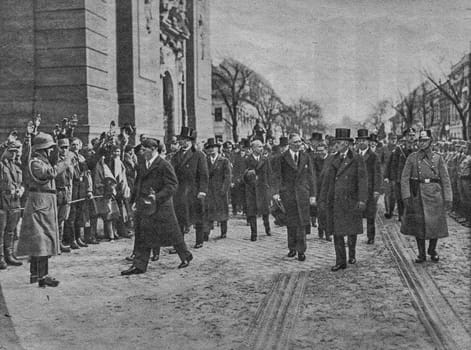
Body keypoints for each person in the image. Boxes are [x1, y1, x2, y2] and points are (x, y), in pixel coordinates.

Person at [121, 138, 193, 275]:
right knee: (143, 234)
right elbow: (138, 183)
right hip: (145, 205)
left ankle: (185, 255)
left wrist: (158, 196)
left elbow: (172, 185)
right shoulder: (142, 164)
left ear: (153, 149)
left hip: (162, 207)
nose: (141, 152)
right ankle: (139, 265)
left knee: (173, 234)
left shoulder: (164, 164)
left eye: (144, 149)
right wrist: (133, 201)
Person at [401, 130, 452, 263]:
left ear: (431, 142)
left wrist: (448, 198)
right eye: (420, 141)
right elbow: (405, 178)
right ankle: (421, 253)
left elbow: (445, 179)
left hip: (435, 193)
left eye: (425, 141)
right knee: (419, 225)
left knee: (435, 224)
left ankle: (432, 249)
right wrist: (406, 195)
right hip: (417, 193)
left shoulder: (438, 158)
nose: (422, 143)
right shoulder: (412, 157)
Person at [17, 132, 60, 287]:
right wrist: (64, 163)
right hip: (40, 202)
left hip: (44, 202)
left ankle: (35, 274)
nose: (51, 151)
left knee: (40, 240)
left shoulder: (43, 161)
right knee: (42, 241)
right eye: (49, 148)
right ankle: (43, 276)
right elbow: (47, 174)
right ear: (43, 149)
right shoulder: (35, 163)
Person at [321, 129, 367, 271]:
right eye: (336, 142)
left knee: (350, 229)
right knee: (337, 232)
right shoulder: (332, 159)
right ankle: (340, 261)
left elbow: (362, 180)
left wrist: (362, 199)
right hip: (335, 201)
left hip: (351, 200)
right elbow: (326, 181)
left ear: (347, 144)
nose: (337, 145)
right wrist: (322, 198)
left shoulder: (356, 158)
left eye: (340, 142)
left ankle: (351, 254)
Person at [272, 133, 316, 261]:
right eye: (296, 142)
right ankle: (292, 248)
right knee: (291, 223)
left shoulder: (306, 157)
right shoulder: (282, 158)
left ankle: (301, 250)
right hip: (288, 194)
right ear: (290, 144)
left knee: (302, 222)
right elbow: (277, 176)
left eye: (300, 142)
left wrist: (313, 195)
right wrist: (276, 192)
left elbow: (311, 177)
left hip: (303, 194)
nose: (299, 144)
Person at [171, 127, 208, 249]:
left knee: (197, 216)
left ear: (190, 141)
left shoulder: (199, 155)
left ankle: (199, 240)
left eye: (185, 140)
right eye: (181, 139)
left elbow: (203, 175)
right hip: (180, 191)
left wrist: (202, 190)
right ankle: (179, 244)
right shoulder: (175, 156)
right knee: (179, 218)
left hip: (194, 190)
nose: (182, 142)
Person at [0, 140, 24, 269]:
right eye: (11, 151)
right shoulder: (0, 166)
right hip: (2, 202)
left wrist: (21, 190)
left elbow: (21, 183)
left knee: (10, 230)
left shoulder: (16, 167)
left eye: (15, 152)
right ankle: (1, 258)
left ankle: (9, 255)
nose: (14, 154)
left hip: (15, 202)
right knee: (1, 231)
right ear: (5, 151)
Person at [243, 139, 273, 241]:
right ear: (253, 148)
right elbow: (243, 174)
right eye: (259, 147)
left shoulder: (265, 159)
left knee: (265, 211)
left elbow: (269, 174)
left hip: (263, 188)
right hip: (251, 189)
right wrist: (248, 174)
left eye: (261, 147)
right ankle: (254, 233)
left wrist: (270, 187)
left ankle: (267, 228)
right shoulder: (247, 160)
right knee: (252, 212)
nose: (261, 148)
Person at [356, 130, 381, 244]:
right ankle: (353, 235)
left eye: (364, 140)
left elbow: (377, 173)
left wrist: (376, 190)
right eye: (359, 140)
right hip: (356, 189)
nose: (361, 142)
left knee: (370, 215)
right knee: (354, 214)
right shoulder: (354, 154)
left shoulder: (373, 156)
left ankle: (371, 236)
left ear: (368, 142)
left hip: (370, 189)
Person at [204, 138, 232, 239]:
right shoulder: (205, 160)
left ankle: (223, 231)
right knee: (208, 212)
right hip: (209, 190)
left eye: (213, 148)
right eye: (209, 148)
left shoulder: (224, 161)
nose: (211, 150)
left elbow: (228, 177)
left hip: (220, 190)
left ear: (217, 149)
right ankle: (206, 233)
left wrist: (224, 189)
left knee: (222, 212)